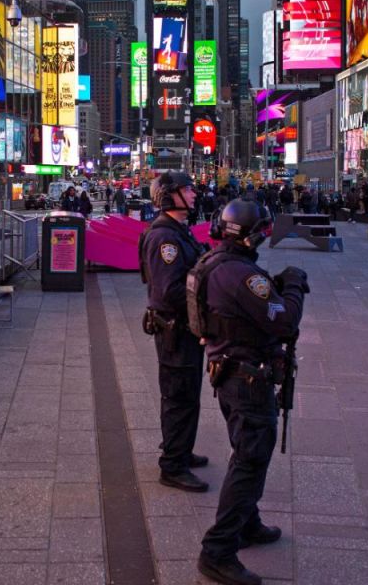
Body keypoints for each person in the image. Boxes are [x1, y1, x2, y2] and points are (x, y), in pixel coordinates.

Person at [193, 199, 307, 585]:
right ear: (255, 233)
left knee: (245, 451)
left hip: (226, 370)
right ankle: (218, 550)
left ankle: (247, 522)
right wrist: (292, 287)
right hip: (248, 378)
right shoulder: (243, 275)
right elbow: (284, 320)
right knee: (250, 459)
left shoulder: (214, 262)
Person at [139, 172, 210, 493]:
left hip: (185, 329)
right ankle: (173, 465)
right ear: (169, 196)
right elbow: (171, 291)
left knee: (188, 393)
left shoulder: (178, 231)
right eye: (187, 189)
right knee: (179, 395)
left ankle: (180, 448)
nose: (194, 194)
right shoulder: (165, 238)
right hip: (175, 330)